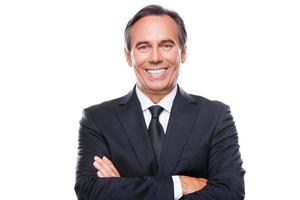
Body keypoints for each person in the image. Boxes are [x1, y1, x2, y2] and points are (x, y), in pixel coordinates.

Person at [74, 4, 245, 200]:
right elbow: (89, 190)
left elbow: (231, 193)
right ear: (128, 56)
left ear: (183, 53)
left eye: (166, 45)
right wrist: (178, 185)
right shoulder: (98, 119)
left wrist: (122, 189)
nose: (155, 58)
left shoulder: (215, 116)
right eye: (144, 47)